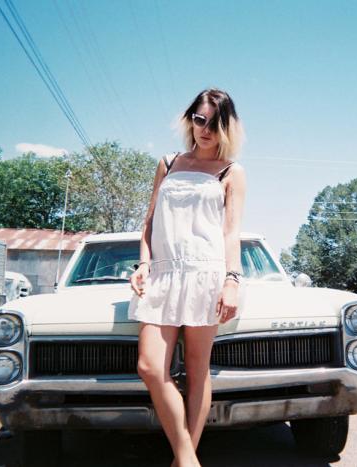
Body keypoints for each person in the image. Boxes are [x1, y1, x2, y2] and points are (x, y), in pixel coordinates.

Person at [127, 88, 246, 467]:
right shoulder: (168, 162)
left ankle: (183, 462)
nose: (205, 129)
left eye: (214, 122)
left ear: (226, 126)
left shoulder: (231, 171)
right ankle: (188, 459)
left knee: (197, 371)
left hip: (205, 274)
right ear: (190, 119)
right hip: (162, 274)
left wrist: (231, 280)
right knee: (149, 366)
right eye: (200, 119)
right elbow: (149, 222)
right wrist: (143, 263)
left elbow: (230, 232)